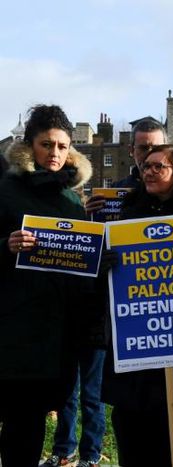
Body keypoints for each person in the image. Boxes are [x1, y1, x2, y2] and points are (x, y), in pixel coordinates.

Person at [100, 144, 173, 467]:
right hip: (135, 352)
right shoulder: (129, 214)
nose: (147, 172)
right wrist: (104, 264)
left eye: (157, 167)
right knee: (132, 441)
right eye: (144, 167)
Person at [0, 105, 95, 466]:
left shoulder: (73, 200)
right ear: (29, 145)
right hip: (11, 327)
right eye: (46, 145)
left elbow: (81, 262)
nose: (54, 154)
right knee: (16, 422)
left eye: (61, 146)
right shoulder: (6, 190)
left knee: (29, 425)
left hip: (56, 332)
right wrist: (5, 246)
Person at [84, 119, 167, 214]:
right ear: (131, 150)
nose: (150, 154)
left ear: (167, 150)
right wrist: (89, 215)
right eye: (143, 148)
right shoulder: (115, 191)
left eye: (156, 148)